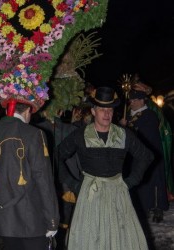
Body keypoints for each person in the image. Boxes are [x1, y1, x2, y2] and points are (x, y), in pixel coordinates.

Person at [58, 86, 154, 250]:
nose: (107, 113)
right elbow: (57, 157)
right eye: (102, 109)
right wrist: (72, 184)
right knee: (89, 239)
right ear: (94, 111)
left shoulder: (123, 135)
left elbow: (146, 156)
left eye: (110, 109)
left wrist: (131, 181)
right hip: (89, 195)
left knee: (121, 241)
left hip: (118, 194)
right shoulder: (80, 135)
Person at [0, 100, 59, 250]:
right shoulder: (34, 134)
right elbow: (43, 180)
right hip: (32, 220)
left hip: (2, 217)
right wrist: (52, 220)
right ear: (28, 110)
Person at [120, 89, 169, 223]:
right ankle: (142, 207)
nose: (132, 102)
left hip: (151, 153)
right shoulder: (128, 116)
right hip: (134, 155)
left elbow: (143, 134)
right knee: (138, 180)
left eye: (135, 100)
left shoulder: (150, 115)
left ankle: (157, 208)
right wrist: (121, 126)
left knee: (154, 180)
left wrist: (126, 127)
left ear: (142, 100)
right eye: (131, 100)